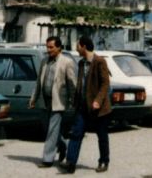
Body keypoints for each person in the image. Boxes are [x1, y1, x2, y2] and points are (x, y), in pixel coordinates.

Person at [60, 36, 112, 174]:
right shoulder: (82, 63)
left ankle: (103, 161)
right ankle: (71, 162)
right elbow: (81, 85)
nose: (76, 48)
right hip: (83, 106)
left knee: (102, 136)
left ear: (83, 46)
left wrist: (98, 100)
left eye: (78, 46)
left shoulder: (100, 62)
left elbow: (105, 84)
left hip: (99, 108)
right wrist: (75, 101)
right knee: (76, 133)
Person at [29, 36, 76, 168]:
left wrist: (73, 100)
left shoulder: (66, 62)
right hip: (45, 101)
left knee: (52, 130)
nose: (48, 50)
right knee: (50, 130)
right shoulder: (44, 61)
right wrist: (33, 98)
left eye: (51, 47)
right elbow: (39, 82)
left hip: (59, 101)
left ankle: (47, 159)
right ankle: (63, 146)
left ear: (59, 47)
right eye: (47, 47)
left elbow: (72, 83)